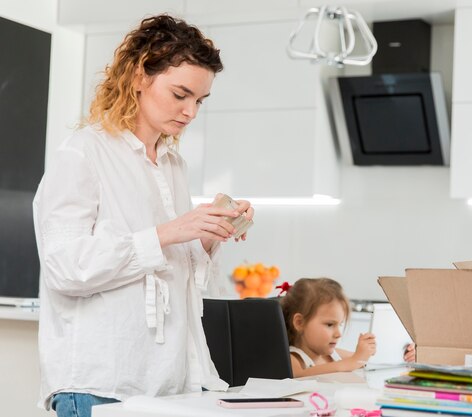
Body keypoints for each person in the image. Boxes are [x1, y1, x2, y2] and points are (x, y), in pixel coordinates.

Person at [33, 14, 253, 417]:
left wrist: (208, 234)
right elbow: (65, 268)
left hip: (170, 383)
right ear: (139, 76)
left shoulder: (172, 165)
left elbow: (173, 271)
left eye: (199, 101)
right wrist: (169, 232)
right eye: (180, 94)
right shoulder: (83, 153)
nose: (190, 113)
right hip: (103, 384)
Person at [280, 278, 416, 377]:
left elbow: (367, 361)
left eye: (340, 324)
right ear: (299, 323)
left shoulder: (333, 355)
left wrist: (405, 355)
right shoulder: (292, 359)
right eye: (329, 325)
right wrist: (354, 360)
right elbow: (302, 376)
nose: (338, 334)